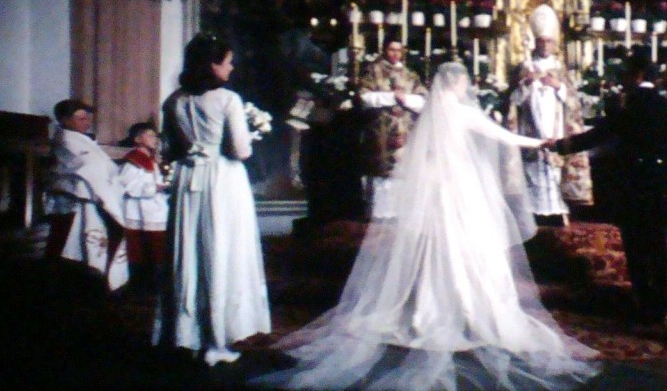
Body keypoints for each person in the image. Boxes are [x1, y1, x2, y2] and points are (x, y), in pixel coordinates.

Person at [250, 62, 601, 390]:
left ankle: (429, 305)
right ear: (457, 82)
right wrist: (544, 143)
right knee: (470, 245)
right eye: (465, 82)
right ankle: (468, 307)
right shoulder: (463, 112)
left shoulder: (430, 110)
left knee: (435, 243)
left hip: (434, 189)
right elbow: (502, 136)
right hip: (461, 187)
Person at [545, 53, 667, 325]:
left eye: (627, 74)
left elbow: (596, 136)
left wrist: (560, 146)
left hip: (631, 188)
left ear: (637, 76)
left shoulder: (628, 107)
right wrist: (664, 170)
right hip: (659, 188)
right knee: (658, 247)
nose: (623, 80)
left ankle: (643, 303)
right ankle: (659, 305)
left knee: (636, 249)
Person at [153, 33, 272, 366]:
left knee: (189, 251)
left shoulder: (174, 100)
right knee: (221, 250)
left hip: (188, 179)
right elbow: (240, 149)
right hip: (223, 181)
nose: (231, 67)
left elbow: (168, 149)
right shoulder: (227, 100)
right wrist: (250, 134)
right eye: (228, 61)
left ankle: (185, 336)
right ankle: (217, 342)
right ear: (212, 64)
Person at [506, 4, 593, 226]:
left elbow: (573, 102)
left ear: (556, 44)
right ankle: (533, 215)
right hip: (531, 130)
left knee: (554, 176)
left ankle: (556, 214)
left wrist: (558, 87)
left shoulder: (561, 70)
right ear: (535, 42)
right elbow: (513, 102)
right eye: (541, 41)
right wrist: (526, 85)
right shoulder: (524, 68)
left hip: (556, 130)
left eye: (549, 41)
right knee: (533, 175)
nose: (545, 46)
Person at [45, 99, 129, 291]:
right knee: (67, 246)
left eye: (87, 118)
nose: (86, 122)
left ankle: (90, 283)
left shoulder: (83, 139)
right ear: (65, 120)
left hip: (90, 197)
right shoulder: (66, 139)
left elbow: (104, 166)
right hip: (72, 201)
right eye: (81, 118)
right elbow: (89, 166)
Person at [359, 39, 427, 220]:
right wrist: (391, 97)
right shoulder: (373, 71)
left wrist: (405, 100)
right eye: (391, 49)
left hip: (406, 129)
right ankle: (379, 215)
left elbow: (422, 100)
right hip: (381, 129)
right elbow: (364, 97)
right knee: (382, 172)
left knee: (403, 171)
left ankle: (401, 214)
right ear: (384, 50)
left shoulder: (410, 74)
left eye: (399, 50)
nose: (395, 54)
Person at [117, 122, 169, 294]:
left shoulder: (151, 160)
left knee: (156, 251)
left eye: (156, 136)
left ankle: (153, 289)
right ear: (138, 139)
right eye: (150, 135)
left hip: (154, 211)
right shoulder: (133, 161)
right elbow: (126, 185)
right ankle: (140, 290)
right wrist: (154, 188)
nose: (155, 139)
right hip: (139, 213)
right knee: (140, 251)